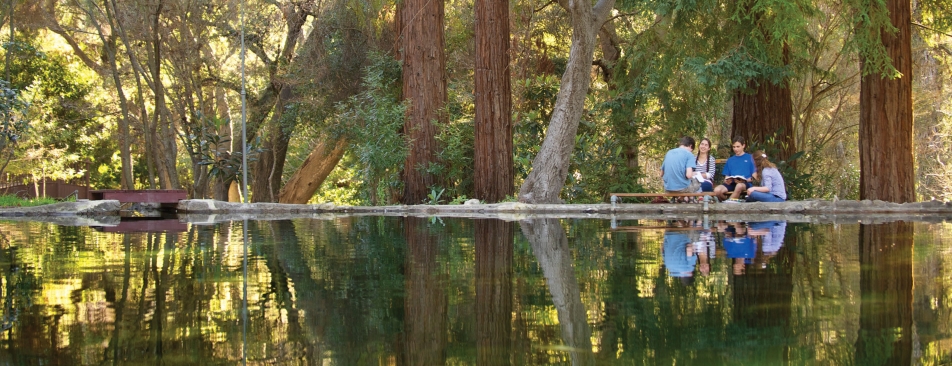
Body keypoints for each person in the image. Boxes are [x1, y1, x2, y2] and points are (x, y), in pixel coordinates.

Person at [713, 136, 755, 202]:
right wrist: (727, 180)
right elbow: (726, 177)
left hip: (745, 183)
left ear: (743, 146)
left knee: (739, 186)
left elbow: (754, 177)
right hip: (732, 183)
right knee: (717, 190)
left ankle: (728, 204)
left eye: (738, 147)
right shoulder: (730, 160)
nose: (735, 149)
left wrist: (744, 180)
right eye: (734, 147)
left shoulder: (750, 158)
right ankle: (727, 201)